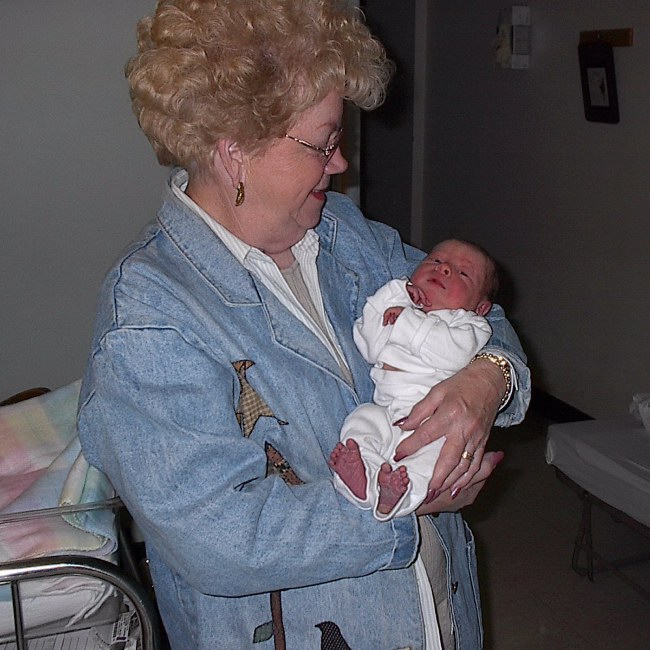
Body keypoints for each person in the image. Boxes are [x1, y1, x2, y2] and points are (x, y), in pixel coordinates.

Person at [77, 1, 531, 648]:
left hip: (437, 605)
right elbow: (219, 536)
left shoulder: (347, 235)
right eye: (324, 142)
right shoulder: (149, 320)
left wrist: (486, 379)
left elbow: (481, 310)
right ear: (236, 150)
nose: (341, 163)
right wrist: (407, 510)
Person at [330, 239, 500, 521]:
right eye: (435, 260)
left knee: (435, 461)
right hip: (388, 413)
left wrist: (406, 322)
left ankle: (399, 496)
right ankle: (363, 482)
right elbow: (368, 345)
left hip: (438, 421)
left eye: (463, 273)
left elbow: (452, 355)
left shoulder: (469, 325)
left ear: (481, 308)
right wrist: (395, 293)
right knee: (362, 420)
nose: (444, 268)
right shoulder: (399, 306)